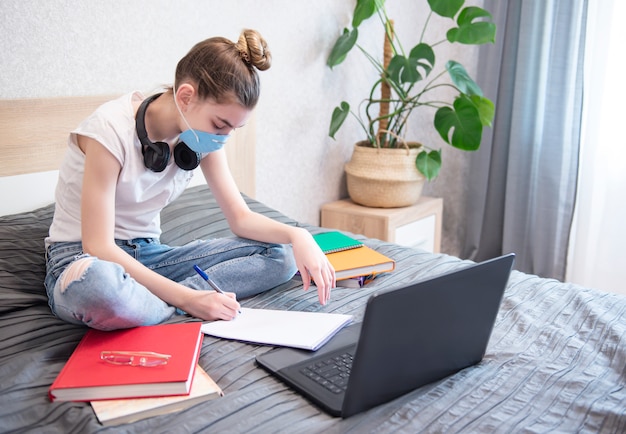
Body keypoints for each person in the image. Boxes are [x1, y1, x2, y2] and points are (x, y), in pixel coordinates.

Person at [44, 29, 335, 331]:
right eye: (221, 124)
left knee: (280, 254)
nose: (224, 137)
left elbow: (240, 219)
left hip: (150, 256)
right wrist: (189, 299)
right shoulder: (109, 130)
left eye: (234, 129)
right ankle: (178, 307)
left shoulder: (202, 138)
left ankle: (154, 305)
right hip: (84, 260)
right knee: (99, 288)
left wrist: (299, 236)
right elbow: (98, 246)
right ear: (186, 97)